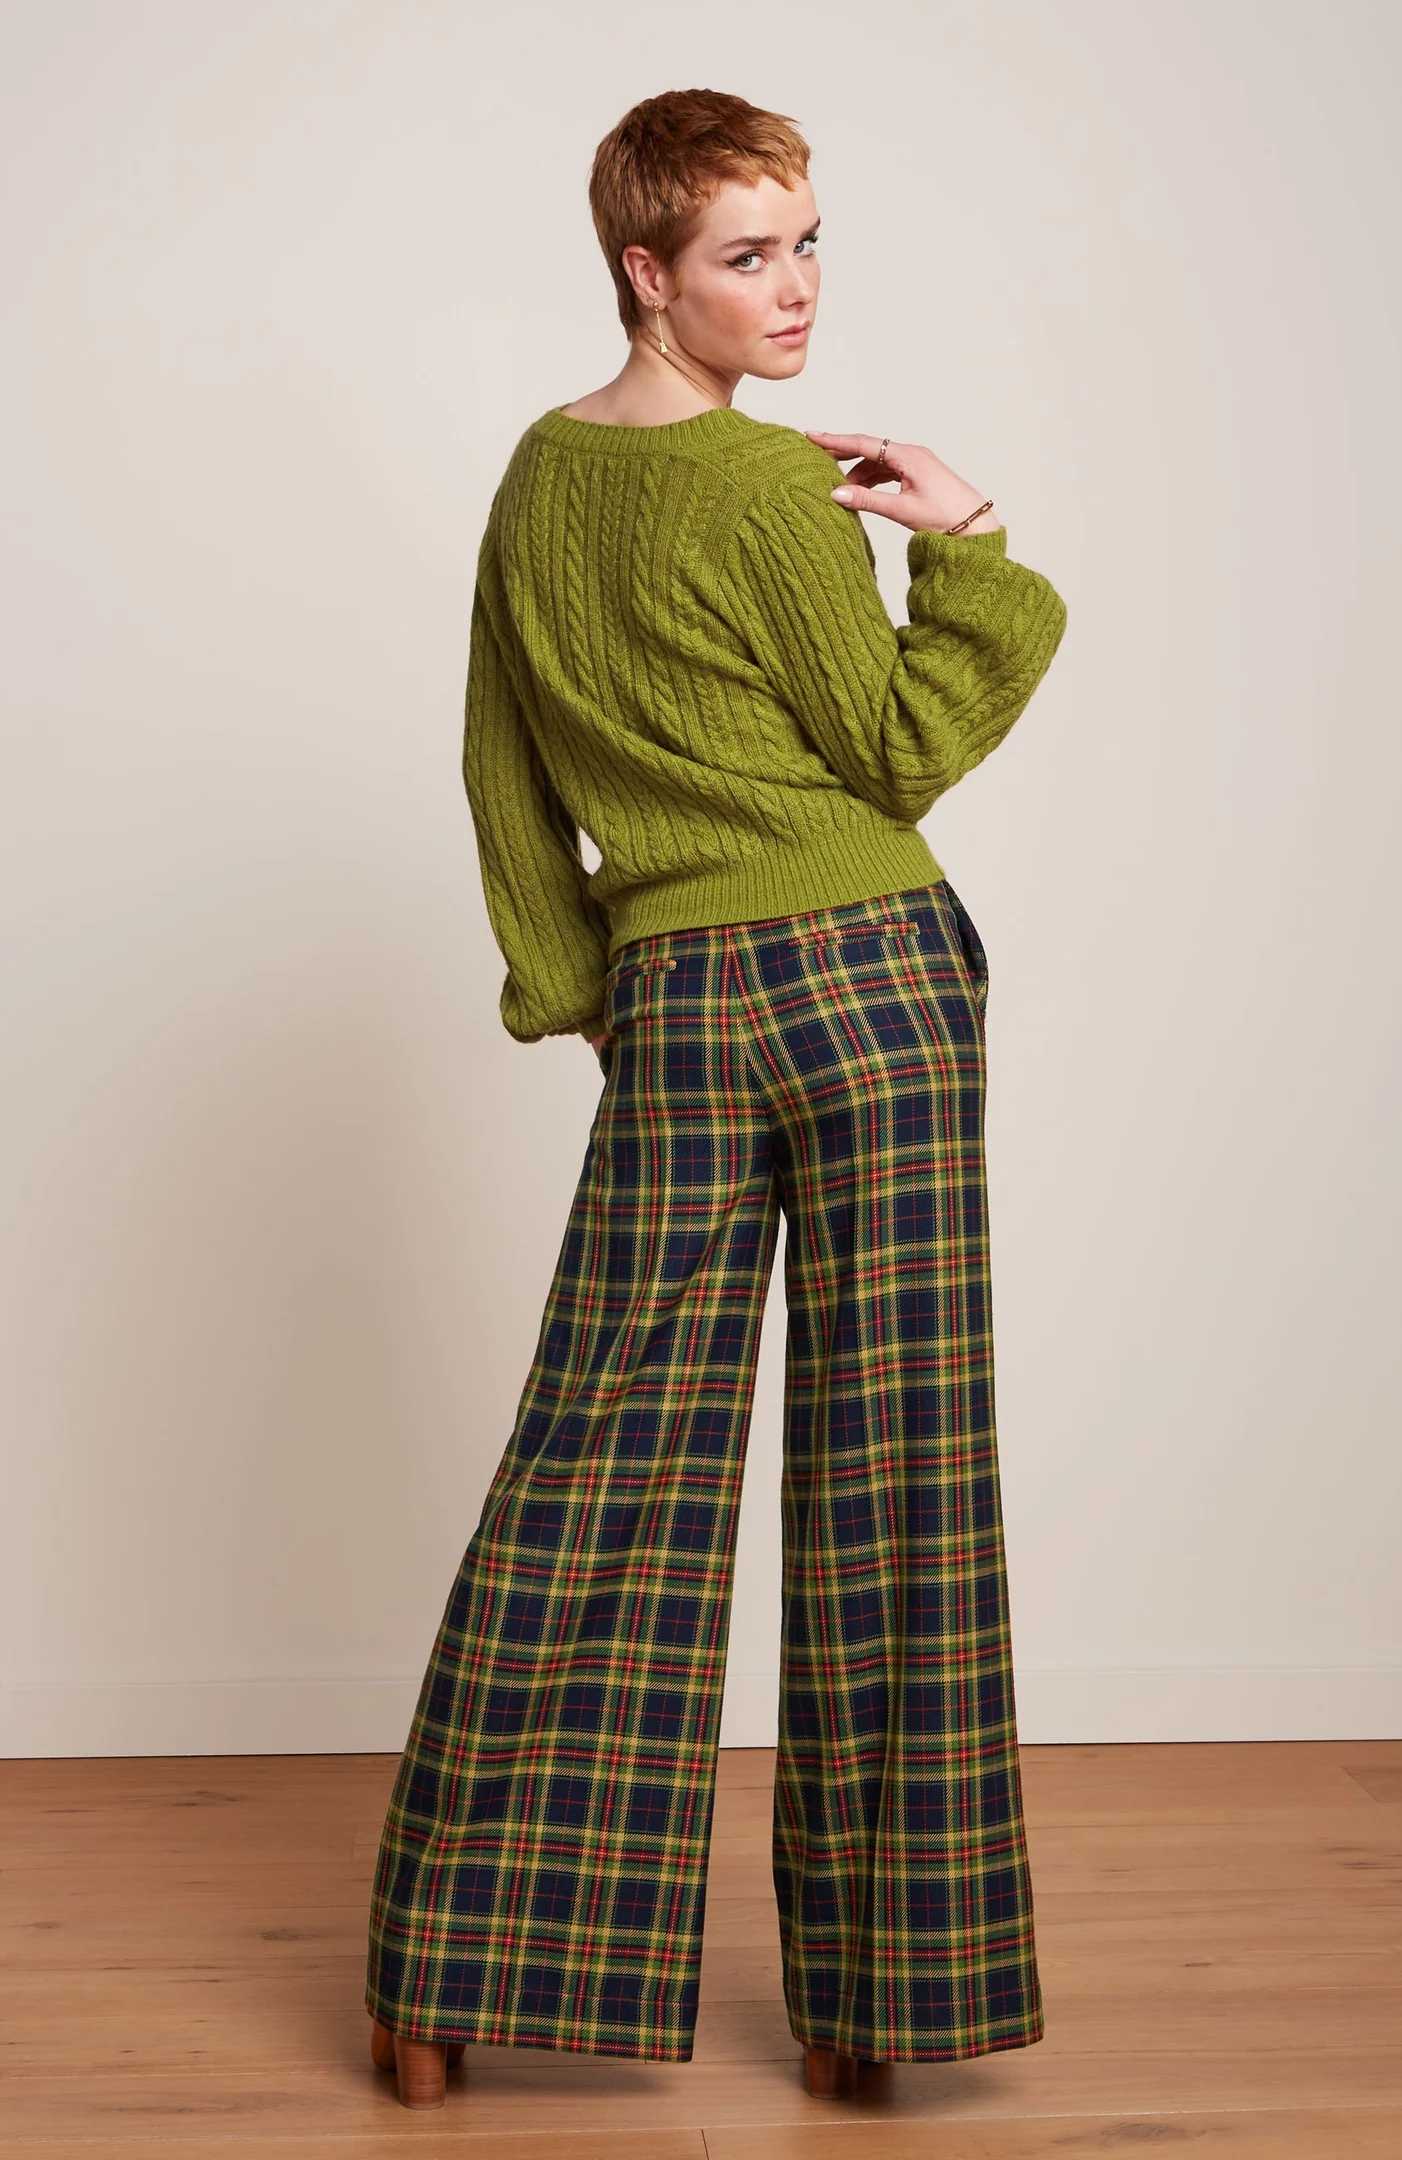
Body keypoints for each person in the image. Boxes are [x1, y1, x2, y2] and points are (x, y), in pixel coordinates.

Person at [365, 86, 1067, 2113]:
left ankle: (450, 1980)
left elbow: (505, 775)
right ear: (644, 271)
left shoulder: (537, 479)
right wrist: (978, 558)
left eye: (811, 241)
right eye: (749, 254)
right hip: (872, 989)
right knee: (898, 1488)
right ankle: (881, 2009)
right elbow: (893, 752)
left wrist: (596, 992)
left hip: (683, 998)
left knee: (599, 1462)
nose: (797, 288)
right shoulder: (772, 491)